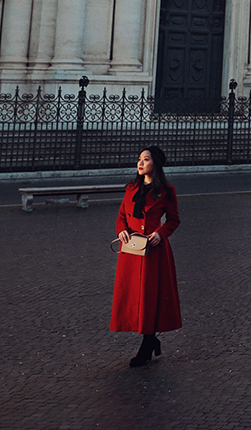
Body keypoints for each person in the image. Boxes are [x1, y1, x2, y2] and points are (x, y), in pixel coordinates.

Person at [111, 146, 182, 367]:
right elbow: (122, 214)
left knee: (150, 297)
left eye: (146, 159)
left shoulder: (167, 191)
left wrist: (160, 234)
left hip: (153, 251)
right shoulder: (131, 188)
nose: (140, 163)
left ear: (156, 164)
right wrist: (121, 229)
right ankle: (151, 341)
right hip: (131, 250)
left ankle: (147, 343)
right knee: (134, 296)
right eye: (139, 159)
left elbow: (173, 220)